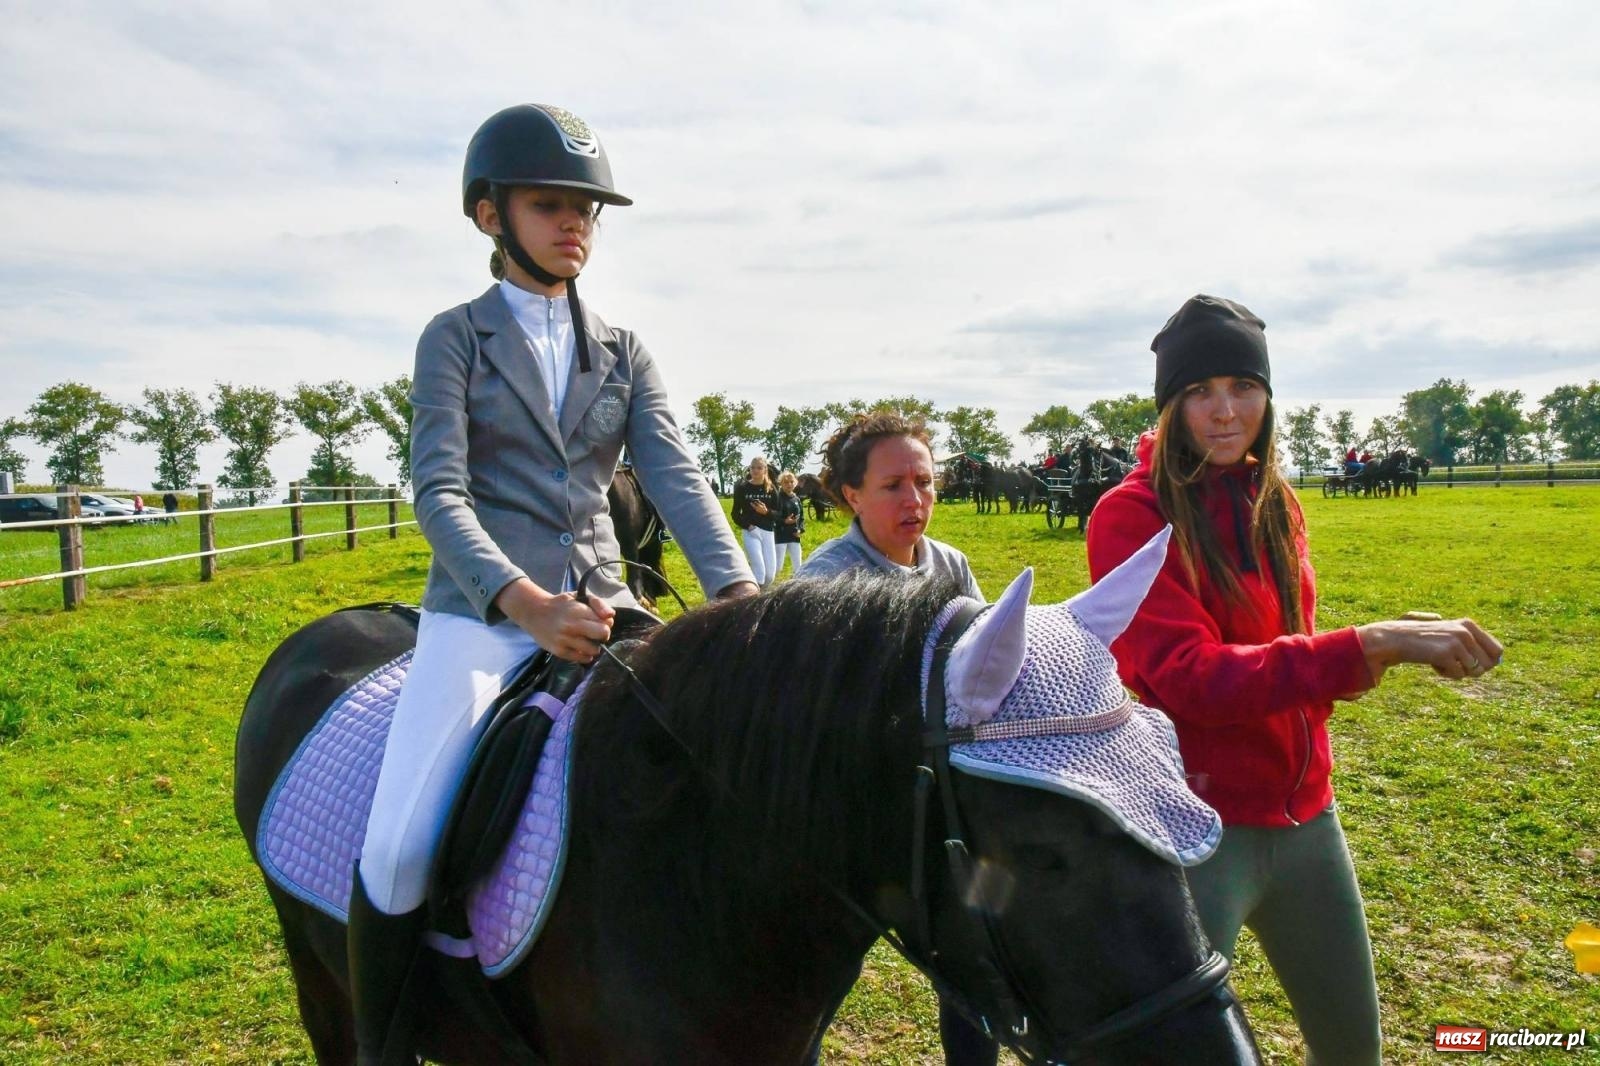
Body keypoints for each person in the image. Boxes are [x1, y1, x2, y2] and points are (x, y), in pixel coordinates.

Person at [348, 103, 756, 1066]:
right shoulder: (454, 338)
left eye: (587, 210)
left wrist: (740, 596)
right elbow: (439, 490)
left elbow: (673, 473)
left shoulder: (625, 349)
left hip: (611, 607)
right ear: (490, 215)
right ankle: (379, 1042)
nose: (576, 225)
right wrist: (520, 602)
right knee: (400, 848)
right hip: (486, 618)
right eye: (549, 205)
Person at [1086, 294, 1503, 1066]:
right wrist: (1366, 645)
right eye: (1199, 391)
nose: (1223, 410)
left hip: (1310, 824)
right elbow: (1191, 679)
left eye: (1243, 387)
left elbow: (1286, 649)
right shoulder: (1129, 515)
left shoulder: (1275, 501)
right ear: (1169, 404)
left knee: (1354, 1054)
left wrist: (1377, 643)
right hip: (1196, 830)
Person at [798, 411, 990, 1066]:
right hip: (847, 819)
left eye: (924, 482)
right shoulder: (824, 584)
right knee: (816, 978)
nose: (914, 500)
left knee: (974, 961)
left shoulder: (952, 567)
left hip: (938, 807)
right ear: (851, 494)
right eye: (893, 486)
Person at [731, 455, 779, 587]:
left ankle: (759, 598)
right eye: (752, 468)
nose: (755, 470)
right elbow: (735, 514)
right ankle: (751, 598)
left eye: (759, 468)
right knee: (760, 572)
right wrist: (749, 526)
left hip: (768, 532)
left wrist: (766, 512)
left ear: (765, 470)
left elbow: (779, 514)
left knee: (770, 576)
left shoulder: (771, 489)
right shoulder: (742, 488)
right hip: (751, 532)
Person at [773, 469, 805, 579]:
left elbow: (801, 517)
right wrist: (784, 521)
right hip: (780, 535)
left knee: (798, 567)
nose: (789, 484)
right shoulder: (777, 498)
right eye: (786, 482)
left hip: (794, 535)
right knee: (778, 567)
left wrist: (800, 530)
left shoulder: (796, 498)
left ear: (795, 483)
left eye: (791, 482)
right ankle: (766, 586)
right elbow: (773, 516)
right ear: (781, 483)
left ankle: (797, 587)